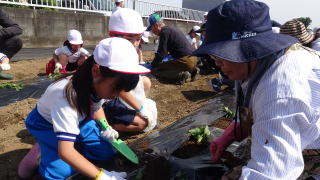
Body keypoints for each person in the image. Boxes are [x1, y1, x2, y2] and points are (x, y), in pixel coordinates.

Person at [193, 0, 320, 179]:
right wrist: (227, 137)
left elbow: (271, 174)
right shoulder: (255, 63)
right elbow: (252, 109)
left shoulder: (279, 90)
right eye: (215, 59)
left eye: (221, 59)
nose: (218, 66)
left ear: (249, 51)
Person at [17, 37, 150, 179]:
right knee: (62, 173)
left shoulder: (98, 83)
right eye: (116, 88)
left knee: (106, 152)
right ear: (96, 71)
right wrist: (101, 176)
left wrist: (106, 127)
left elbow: (97, 106)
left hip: (80, 120)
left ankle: (65, 141)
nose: (116, 95)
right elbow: (66, 152)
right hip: (47, 124)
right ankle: (42, 150)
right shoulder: (65, 96)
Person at [105, 8, 157, 133]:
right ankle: (106, 124)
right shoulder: (110, 55)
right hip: (107, 99)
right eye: (129, 39)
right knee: (141, 123)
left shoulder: (130, 52)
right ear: (112, 36)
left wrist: (139, 108)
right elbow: (120, 90)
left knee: (145, 82)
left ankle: (130, 112)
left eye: (138, 39)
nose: (134, 44)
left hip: (119, 94)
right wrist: (141, 109)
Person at [147, 13, 199, 85]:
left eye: (151, 28)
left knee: (158, 69)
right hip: (194, 59)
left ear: (156, 25)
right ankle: (193, 70)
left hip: (186, 61)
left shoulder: (164, 32)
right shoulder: (171, 29)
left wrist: (152, 65)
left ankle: (181, 75)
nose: (152, 31)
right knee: (169, 63)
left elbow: (161, 54)